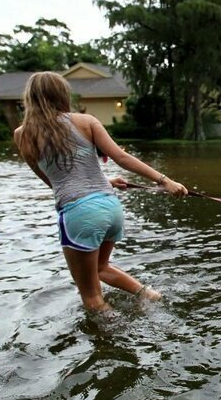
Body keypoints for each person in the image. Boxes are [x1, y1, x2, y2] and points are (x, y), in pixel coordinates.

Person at [13, 71, 188, 314]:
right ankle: (148, 294)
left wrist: (161, 180)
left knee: (92, 298)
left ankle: (112, 341)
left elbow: (54, 180)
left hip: (78, 213)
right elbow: (122, 157)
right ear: (62, 94)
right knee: (101, 267)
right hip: (110, 206)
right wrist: (164, 181)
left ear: (29, 98)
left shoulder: (22, 135)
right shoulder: (86, 122)